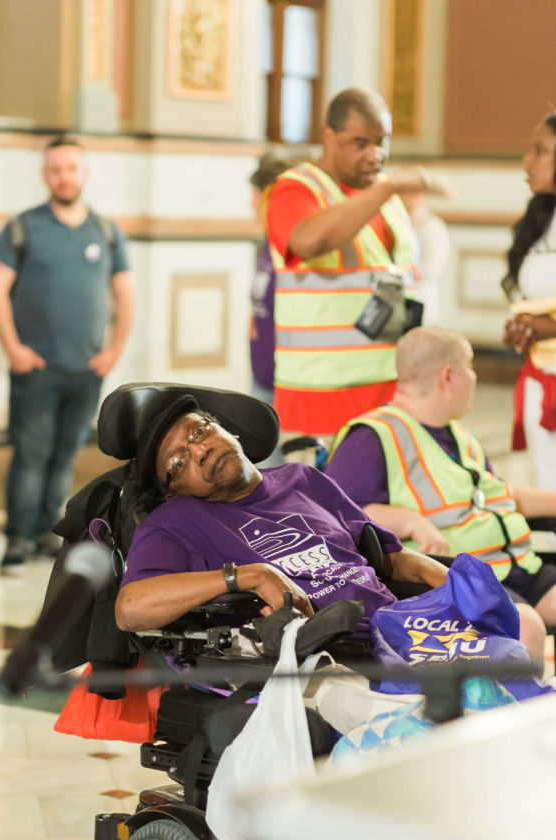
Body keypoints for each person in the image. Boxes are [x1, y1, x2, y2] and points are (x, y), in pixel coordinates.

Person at [114, 391, 448, 640]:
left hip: (403, 625)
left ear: (228, 431)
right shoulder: (176, 520)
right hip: (322, 656)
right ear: (174, 491)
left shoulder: (303, 479)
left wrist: (457, 581)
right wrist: (250, 575)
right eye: (178, 463)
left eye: (200, 432)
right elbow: (130, 608)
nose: (200, 452)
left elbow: (392, 558)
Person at [327, 326, 556, 666]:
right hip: (459, 582)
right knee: (527, 630)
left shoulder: (457, 435)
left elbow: (496, 495)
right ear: (448, 376)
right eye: (471, 366)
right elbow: (335, 515)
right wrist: (411, 521)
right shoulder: (371, 437)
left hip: (518, 567)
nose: (475, 377)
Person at [0, 134, 134, 575]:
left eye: (71, 168)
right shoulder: (23, 227)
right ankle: (17, 540)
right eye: (55, 169)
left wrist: (114, 351)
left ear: (84, 173)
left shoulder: (105, 232)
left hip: (85, 370)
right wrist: (12, 348)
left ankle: (49, 535)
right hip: (35, 369)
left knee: (65, 454)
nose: (63, 177)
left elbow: (124, 295)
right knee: (30, 454)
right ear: (44, 175)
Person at [265, 86, 449, 442]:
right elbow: (310, 240)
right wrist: (384, 190)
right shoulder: (296, 188)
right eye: (360, 143)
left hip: (392, 392)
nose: (375, 155)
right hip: (321, 399)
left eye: (382, 142)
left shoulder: (385, 194)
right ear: (329, 137)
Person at [503, 112, 556, 490]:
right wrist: (522, 326)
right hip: (541, 374)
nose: (528, 160)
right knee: (547, 483)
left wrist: (548, 327)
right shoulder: (543, 217)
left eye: (540, 151)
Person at [249, 154, 291, 409]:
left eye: (255, 197)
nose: (251, 205)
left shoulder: (293, 247)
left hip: (283, 381)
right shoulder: (268, 243)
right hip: (262, 372)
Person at [400, 189, 451, 325]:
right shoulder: (399, 220)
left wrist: (400, 271)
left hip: (421, 298)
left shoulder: (431, 226)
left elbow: (433, 268)